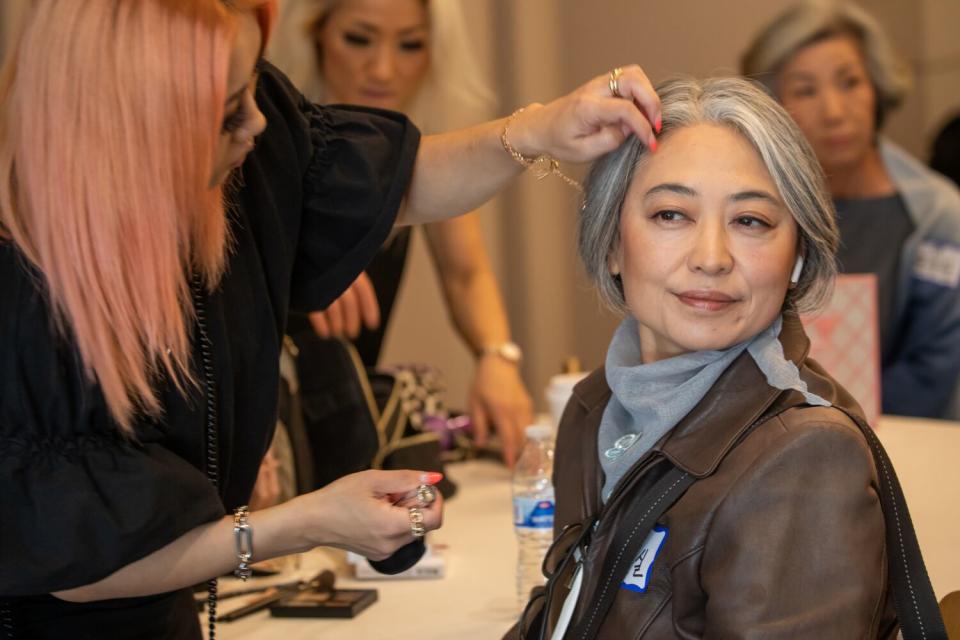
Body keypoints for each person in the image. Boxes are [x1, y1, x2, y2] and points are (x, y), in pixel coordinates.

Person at [0, 0, 662, 637]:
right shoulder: (24, 294)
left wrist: (538, 129)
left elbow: (391, 183)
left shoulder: (247, 154)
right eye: (227, 113)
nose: (256, 127)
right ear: (133, 129)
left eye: (254, 88)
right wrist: (306, 521)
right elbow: (78, 560)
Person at [517, 76, 896, 638]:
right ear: (613, 243)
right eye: (672, 214)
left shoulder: (807, 458)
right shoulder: (596, 407)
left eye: (751, 222)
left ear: (796, 257)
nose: (712, 257)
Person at [269, 0, 533, 464]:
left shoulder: (421, 153)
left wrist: (497, 356)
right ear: (315, 35)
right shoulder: (263, 138)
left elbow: (466, 272)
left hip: (341, 430)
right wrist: (301, 270)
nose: (384, 69)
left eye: (411, 45)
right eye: (358, 40)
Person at [741, 0, 960, 420]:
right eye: (806, 90)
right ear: (773, 106)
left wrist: (827, 424)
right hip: (770, 441)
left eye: (850, 82)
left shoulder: (934, 216)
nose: (834, 112)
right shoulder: (756, 206)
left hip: (905, 438)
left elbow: (934, 374)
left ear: (876, 88)